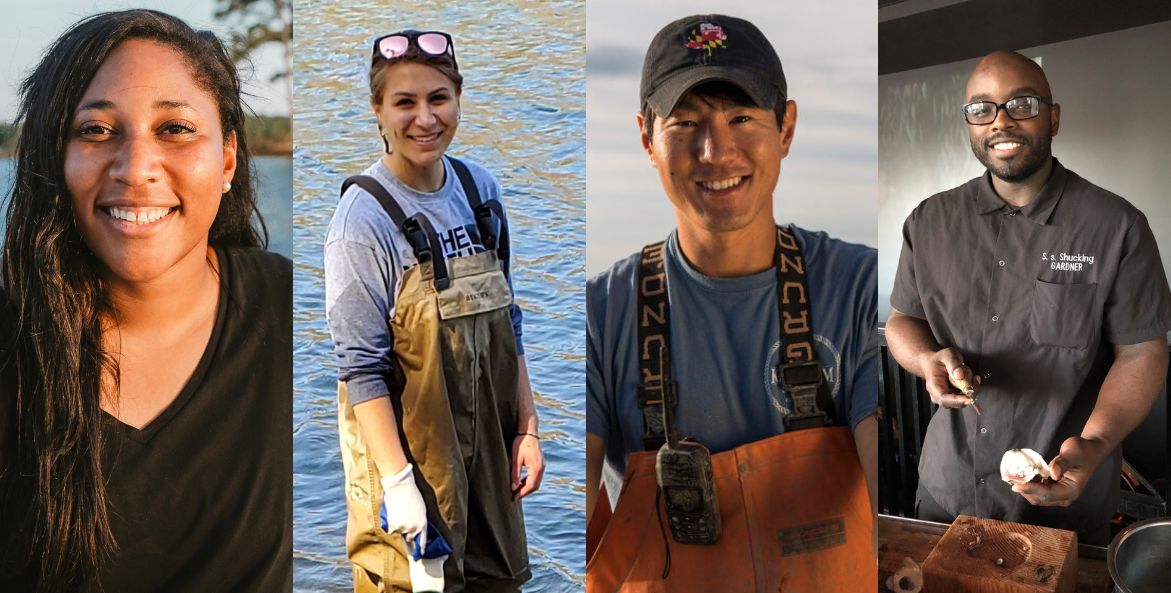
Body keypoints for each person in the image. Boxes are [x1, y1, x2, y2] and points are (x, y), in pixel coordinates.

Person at [0, 9, 292, 593]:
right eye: (96, 130)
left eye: (175, 129)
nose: (136, 169)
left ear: (229, 159)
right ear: (54, 158)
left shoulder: (295, 311)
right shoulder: (13, 341)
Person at [585, 14, 877, 591]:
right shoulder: (598, 313)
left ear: (786, 129)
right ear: (647, 138)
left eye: (741, 117)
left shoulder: (858, 286)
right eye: (686, 122)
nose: (715, 151)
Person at [886, 50, 1171, 545]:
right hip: (947, 493)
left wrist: (1097, 443)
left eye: (1022, 103)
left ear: (1053, 116)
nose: (1001, 121)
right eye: (982, 108)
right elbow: (901, 320)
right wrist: (926, 358)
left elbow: (1142, 351)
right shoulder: (928, 222)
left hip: (1064, 497)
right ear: (970, 123)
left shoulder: (1116, 227)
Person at [324, 29, 544, 593]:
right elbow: (361, 369)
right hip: (410, 473)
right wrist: (399, 485)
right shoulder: (361, 223)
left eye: (439, 98)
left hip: (490, 464)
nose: (425, 118)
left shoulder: (479, 190)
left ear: (458, 99)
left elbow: (510, 322)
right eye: (405, 102)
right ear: (378, 109)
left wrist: (528, 429)